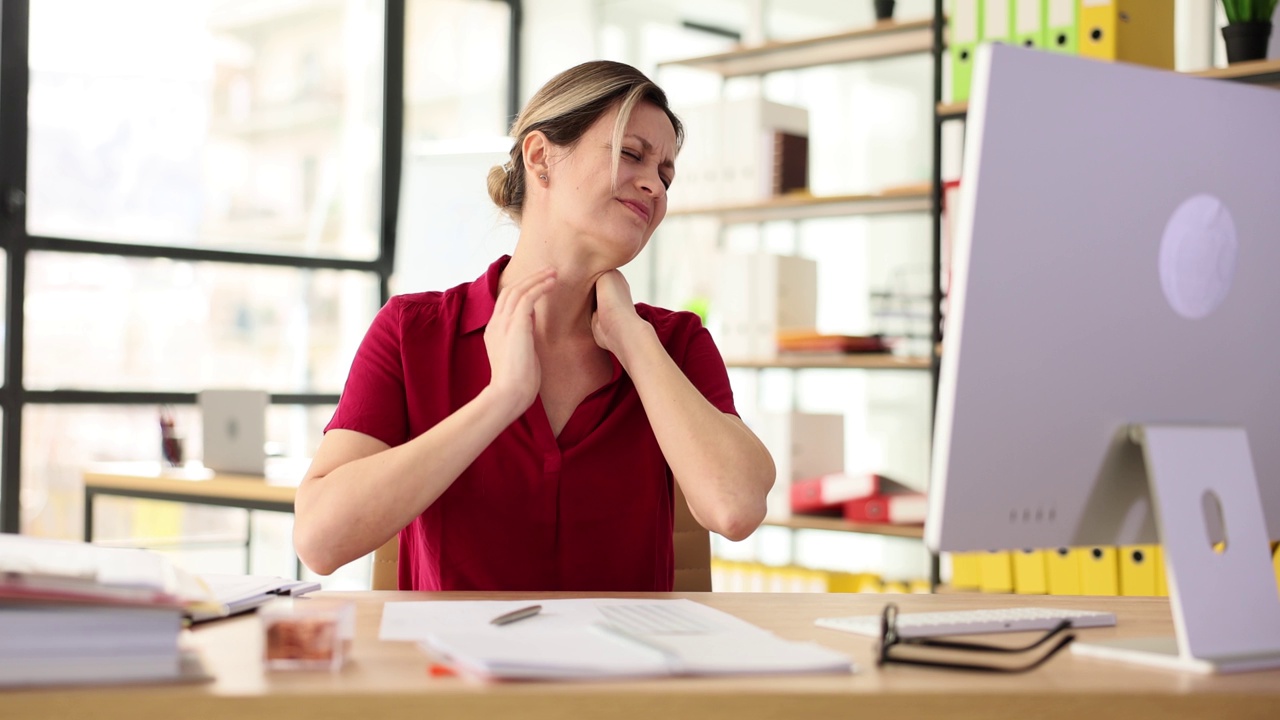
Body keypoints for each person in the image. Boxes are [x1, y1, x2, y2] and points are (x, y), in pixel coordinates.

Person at [293, 60, 775, 591]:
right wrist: (501, 398)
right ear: (542, 157)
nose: (655, 187)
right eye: (632, 154)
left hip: (627, 672)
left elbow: (735, 508)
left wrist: (632, 340)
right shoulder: (412, 332)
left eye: (665, 174)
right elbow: (320, 541)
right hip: (451, 669)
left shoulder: (675, 344)